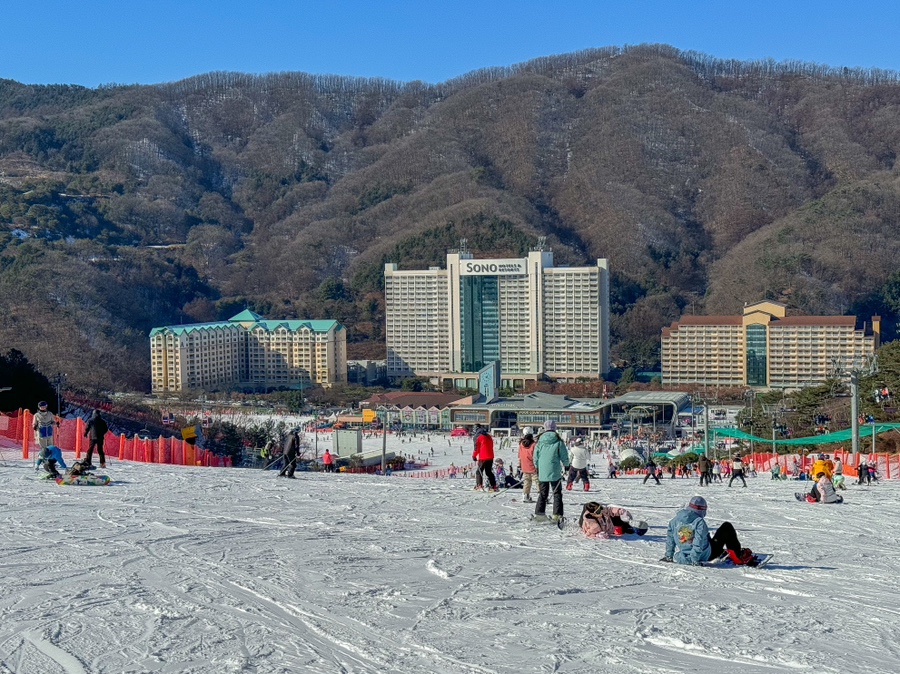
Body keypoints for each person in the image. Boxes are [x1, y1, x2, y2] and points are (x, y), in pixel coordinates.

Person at [662, 495, 756, 566]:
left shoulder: (674, 521)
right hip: (705, 555)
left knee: (708, 538)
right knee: (726, 527)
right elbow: (698, 543)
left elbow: (670, 540)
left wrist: (669, 556)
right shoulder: (699, 522)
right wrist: (694, 560)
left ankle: (725, 552)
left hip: (685, 553)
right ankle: (739, 556)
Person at [532, 420, 569, 522]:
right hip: (554, 470)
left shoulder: (540, 441)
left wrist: (537, 466)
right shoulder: (558, 441)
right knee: (557, 492)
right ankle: (557, 514)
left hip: (542, 470)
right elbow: (564, 455)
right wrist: (566, 465)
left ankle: (539, 513)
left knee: (543, 493)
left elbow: (535, 456)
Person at [579, 502, 648, 539]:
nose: (601, 511)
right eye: (598, 512)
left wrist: (621, 511)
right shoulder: (593, 525)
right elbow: (588, 533)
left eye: (601, 508)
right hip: (593, 524)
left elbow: (609, 510)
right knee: (586, 509)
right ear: (593, 514)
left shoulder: (602, 511)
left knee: (615, 518)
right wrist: (597, 535)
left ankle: (630, 526)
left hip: (607, 524)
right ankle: (628, 528)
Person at [33, 401, 61, 477]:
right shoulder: (37, 415)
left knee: (50, 447)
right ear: (39, 407)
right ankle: (43, 462)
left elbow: (53, 421)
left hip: (49, 432)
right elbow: (34, 423)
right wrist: (34, 426)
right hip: (41, 433)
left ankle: (51, 462)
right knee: (43, 448)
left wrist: (56, 423)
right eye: (41, 407)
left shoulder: (49, 414)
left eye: (44, 406)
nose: (43, 408)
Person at [472, 426, 497, 491]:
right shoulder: (489, 436)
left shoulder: (479, 437)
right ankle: (493, 486)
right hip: (490, 456)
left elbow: (476, 448)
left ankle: (479, 485)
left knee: (479, 471)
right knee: (488, 472)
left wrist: (474, 456)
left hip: (483, 457)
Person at [517, 428, 537, 502]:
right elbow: (536, 456)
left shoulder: (521, 444)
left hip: (524, 466)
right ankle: (542, 496)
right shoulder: (534, 444)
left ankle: (525, 495)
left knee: (527, 481)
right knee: (538, 481)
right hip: (533, 466)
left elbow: (519, 455)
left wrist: (519, 465)